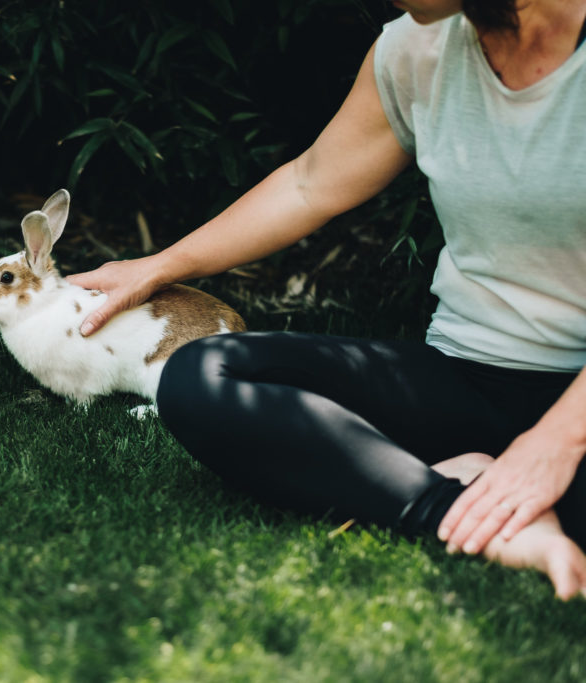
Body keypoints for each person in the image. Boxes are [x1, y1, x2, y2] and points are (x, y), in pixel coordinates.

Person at [67, 0, 586, 600]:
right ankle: (454, 508)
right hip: (464, 377)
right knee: (203, 374)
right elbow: (310, 183)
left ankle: (474, 479)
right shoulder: (415, 48)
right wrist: (158, 268)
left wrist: (554, 445)